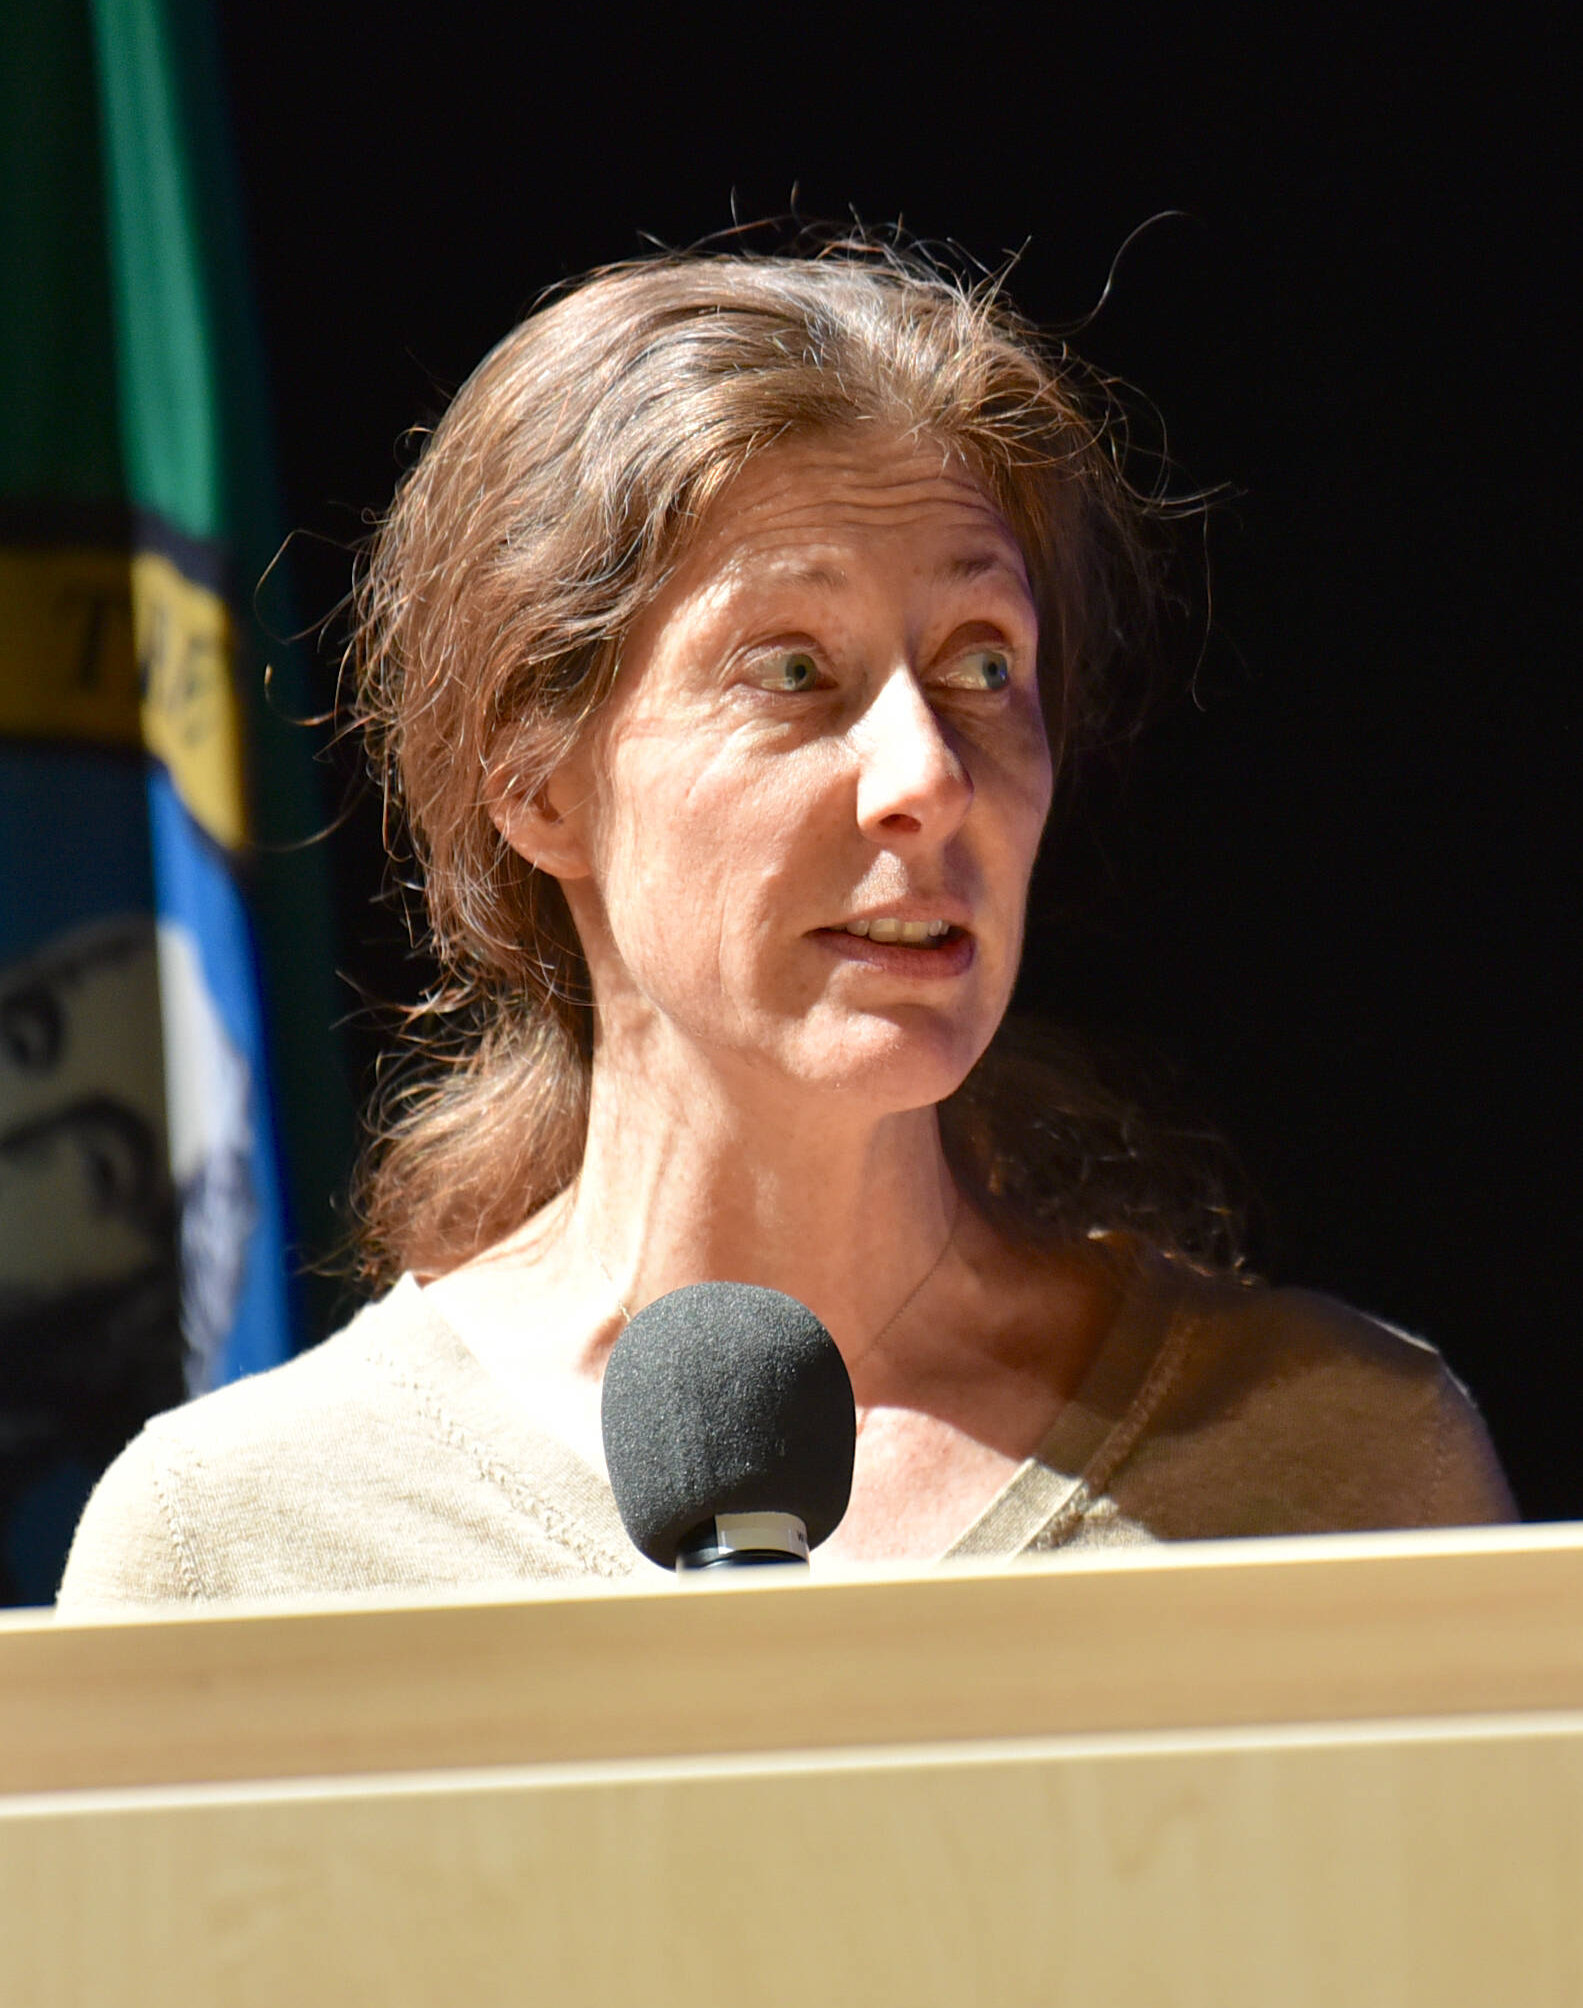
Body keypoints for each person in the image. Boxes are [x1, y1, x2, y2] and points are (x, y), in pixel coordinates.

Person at [56, 246, 1515, 1611]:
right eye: (796, 669)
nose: (928, 777)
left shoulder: (1348, 1474)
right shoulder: (237, 1543)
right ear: (534, 778)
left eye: (983, 664)